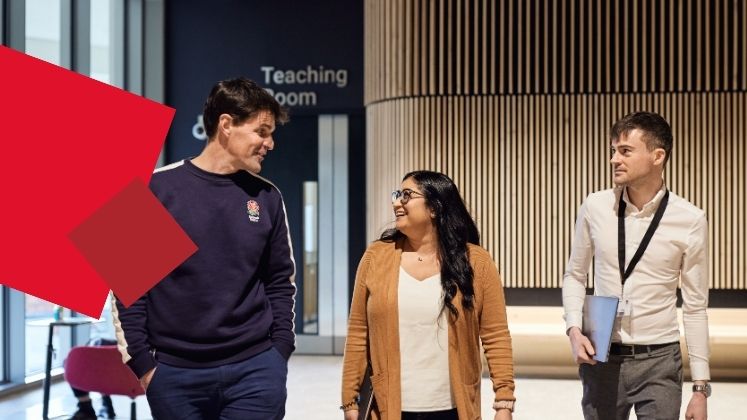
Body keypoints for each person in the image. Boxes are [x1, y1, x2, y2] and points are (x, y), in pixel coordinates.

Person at [112, 77, 296, 419]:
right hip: (175, 376)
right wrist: (145, 367)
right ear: (226, 124)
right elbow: (127, 292)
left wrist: (279, 352)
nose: (270, 143)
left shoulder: (267, 198)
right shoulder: (152, 190)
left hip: (256, 371)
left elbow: (279, 282)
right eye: (262, 131)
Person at [562, 111, 711, 420]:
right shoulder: (595, 206)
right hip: (602, 356)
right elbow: (575, 274)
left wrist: (700, 387)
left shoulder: (690, 219)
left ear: (658, 156)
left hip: (659, 360)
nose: (614, 159)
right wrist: (574, 328)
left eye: (625, 151)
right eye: (613, 150)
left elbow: (696, 306)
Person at [341, 170, 515, 420]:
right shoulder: (376, 257)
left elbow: (495, 334)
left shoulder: (476, 262)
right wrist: (349, 400)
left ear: (434, 207)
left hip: (453, 410)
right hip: (390, 409)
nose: (397, 202)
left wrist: (504, 402)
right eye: (397, 194)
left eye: (407, 195)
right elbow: (359, 331)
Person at [68, 338, 117, 420]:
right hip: (134, 379)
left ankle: (85, 407)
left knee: (73, 363)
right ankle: (107, 404)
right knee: (103, 353)